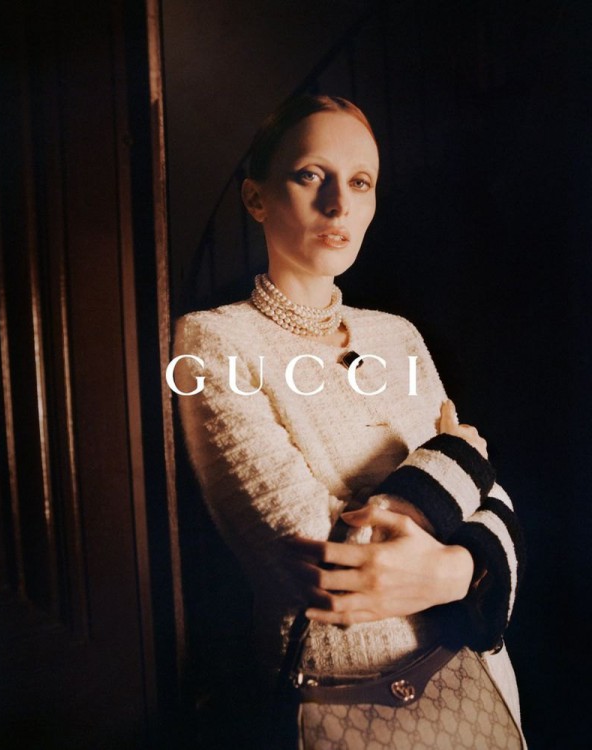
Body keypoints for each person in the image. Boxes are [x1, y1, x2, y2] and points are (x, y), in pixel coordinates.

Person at [171, 94, 526, 748]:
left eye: (360, 182)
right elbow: (318, 559)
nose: (339, 205)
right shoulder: (212, 342)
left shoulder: (399, 336)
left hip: (475, 681)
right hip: (349, 706)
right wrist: (456, 462)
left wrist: (457, 570)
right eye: (311, 175)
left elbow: (497, 501)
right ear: (255, 198)